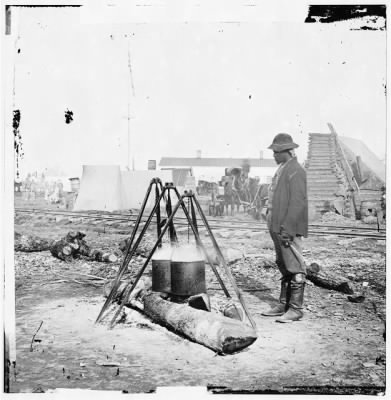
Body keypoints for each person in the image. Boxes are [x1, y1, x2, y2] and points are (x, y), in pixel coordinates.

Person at [261, 133, 308, 323]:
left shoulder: (296, 171)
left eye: (275, 152)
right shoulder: (283, 169)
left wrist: (287, 230)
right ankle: (284, 304)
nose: (273, 156)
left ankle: (295, 308)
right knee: (283, 264)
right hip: (277, 224)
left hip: (287, 227)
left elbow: (297, 203)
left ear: (286, 152)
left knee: (295, 265)